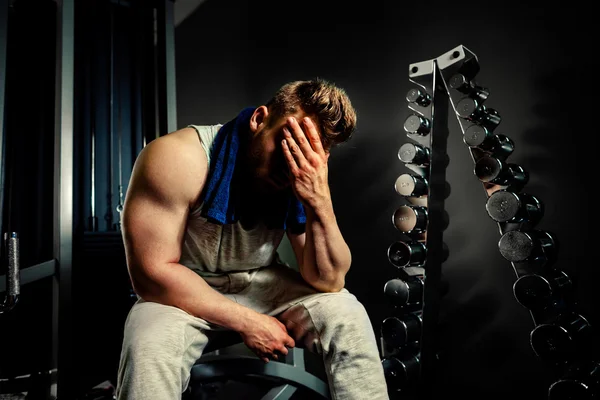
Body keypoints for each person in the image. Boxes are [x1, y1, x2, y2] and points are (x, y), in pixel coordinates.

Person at [115, 78, 390, 400]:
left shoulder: (303, 174)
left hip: (261, 280)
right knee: (148, 346)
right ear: (259, 119)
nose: (291, 164)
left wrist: (319, 198)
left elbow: (327, 279)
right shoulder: (177, 157)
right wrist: (248, 322)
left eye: (304, 150)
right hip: (179, 288)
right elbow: (151, 274)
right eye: (288, 140)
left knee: (346, 313)